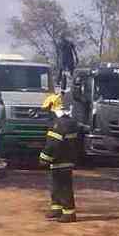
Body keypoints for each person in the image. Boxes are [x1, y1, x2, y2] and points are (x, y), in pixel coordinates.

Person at [39, 93, 80, 223]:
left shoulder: (59, 124)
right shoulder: (71, 122)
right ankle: (56, 208)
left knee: (63, 187)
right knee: (56, 186)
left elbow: (52, 144)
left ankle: (69, 213)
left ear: (53, 107)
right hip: (66, 159)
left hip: (60, 160)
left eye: (48, 109)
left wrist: (44, 157)